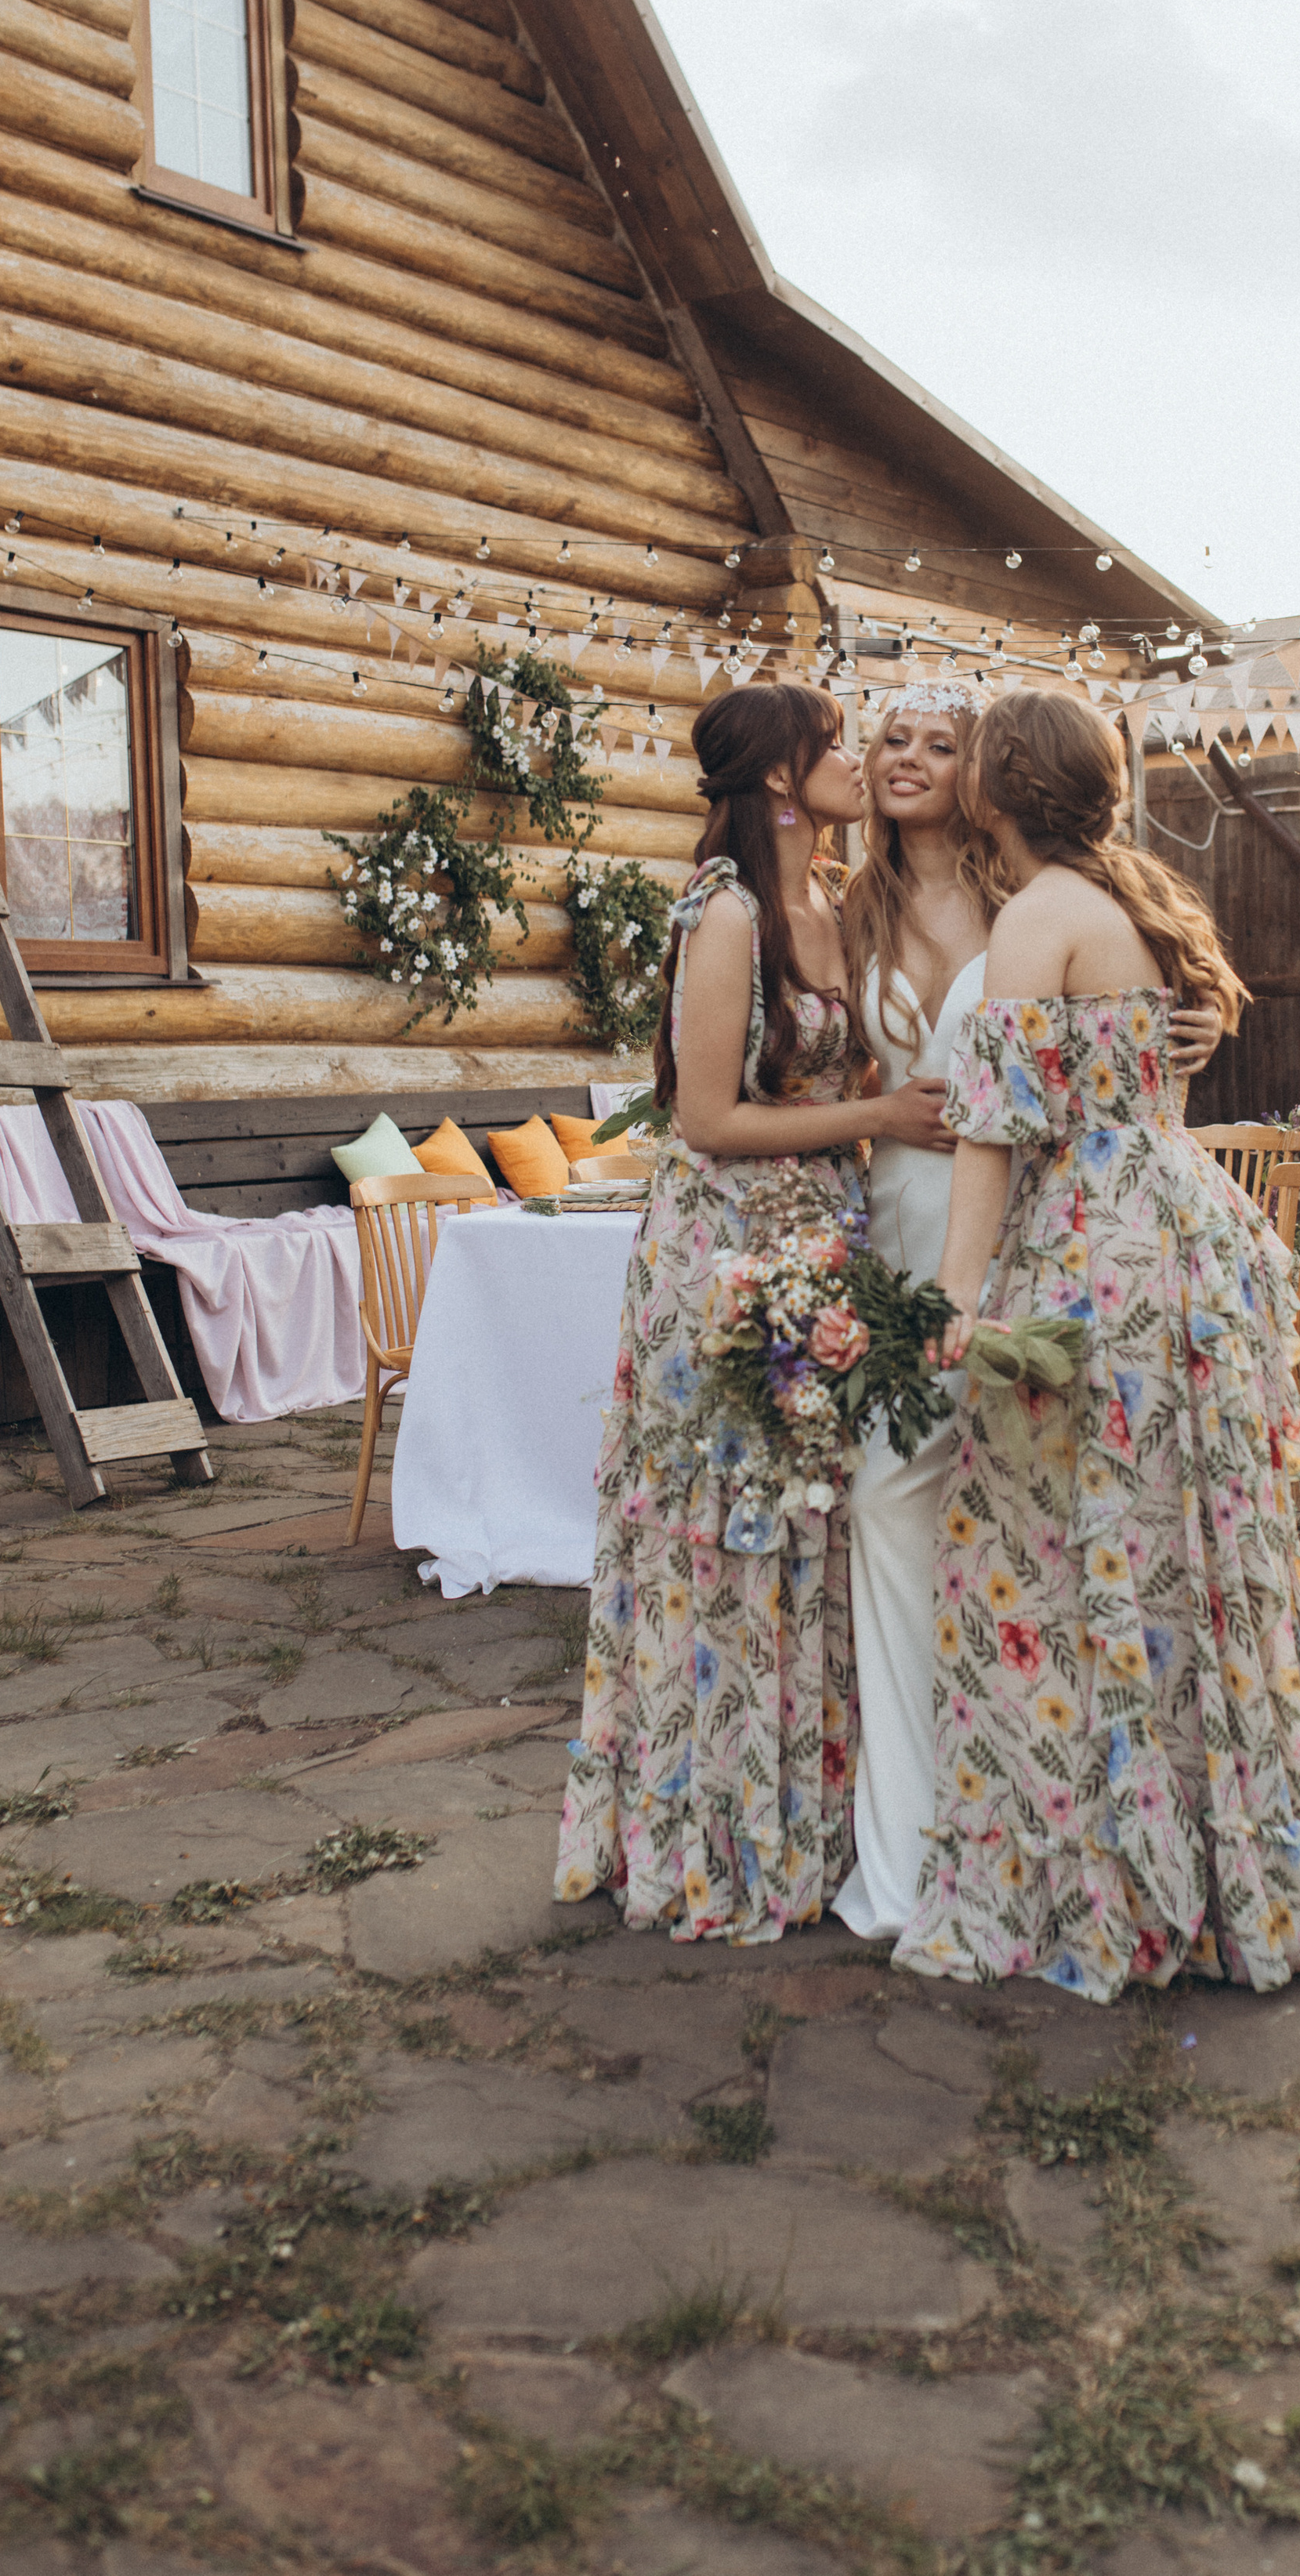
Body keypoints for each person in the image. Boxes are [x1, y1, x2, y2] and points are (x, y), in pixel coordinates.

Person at [895, 687, 1300, 2001]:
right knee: (1173, 1550)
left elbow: (994, 1130)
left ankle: (1106, 1871)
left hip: (1097, 1252)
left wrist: (955, 1299)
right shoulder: (1128, 900)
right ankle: (1204, 1855)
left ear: (996, 788)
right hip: (1174, 1235)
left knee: (1058, 1552)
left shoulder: (1039, 915)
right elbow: (1146, 1062)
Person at [553, 681, 952, 1943]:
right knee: (732, 1531)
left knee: (816, 1522)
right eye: (835, 744)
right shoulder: (725, 913)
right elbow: (707, 1117)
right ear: (782, 777)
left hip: (826, 1238)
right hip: (725, 1256)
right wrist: (878, 1116)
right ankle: (715, 1832)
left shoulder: (834, 901)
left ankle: (818, 1826)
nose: (859, 758)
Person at [831, 682, 1229, 1944]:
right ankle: (935, 1832)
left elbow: (1024, 1106)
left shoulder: (1039, 905)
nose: (915, 760)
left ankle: (1020, 1832)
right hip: (938, 1221)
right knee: (944, 1513)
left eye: (949, 746)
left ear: (992, 782)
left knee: (1038, 1532)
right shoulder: (862, 909)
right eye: (893, 740)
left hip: (1039, 1242)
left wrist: (1197, 1027)